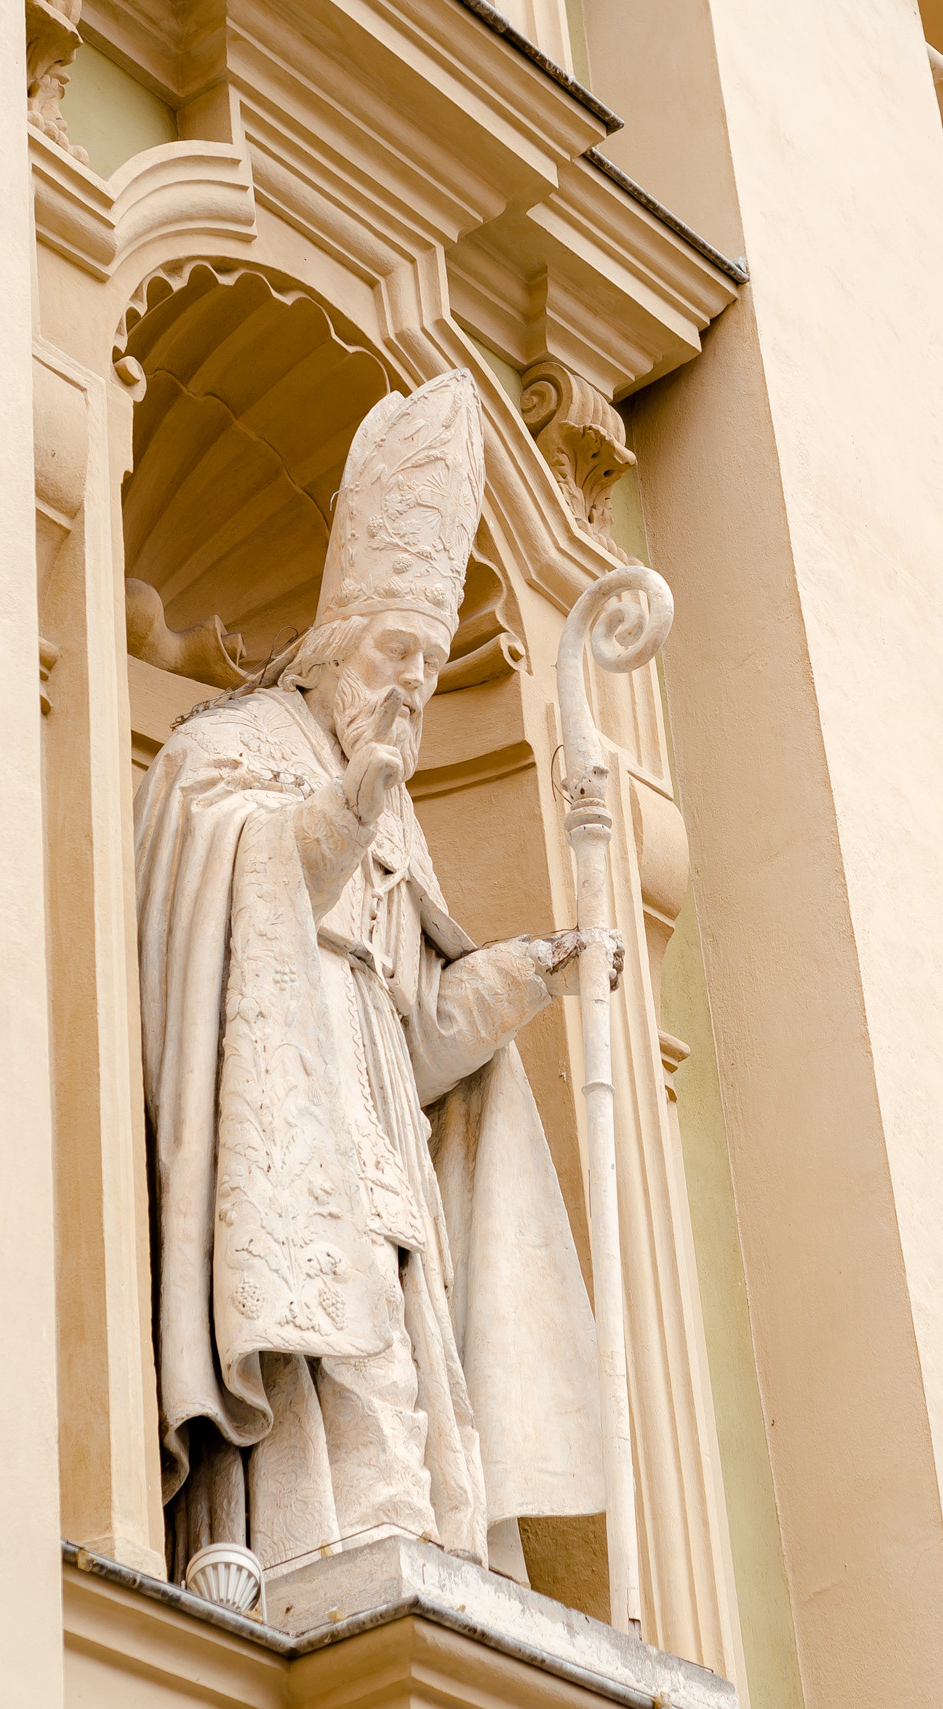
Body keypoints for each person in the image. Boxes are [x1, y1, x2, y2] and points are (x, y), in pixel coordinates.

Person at [135, 369, 608, 1586]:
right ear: (334, 644)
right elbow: (230, 887)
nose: (411, 682)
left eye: (434, 658)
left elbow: (419, 1034)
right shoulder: (226, 748)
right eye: (397, 649)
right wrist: (339, 816)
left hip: (381, 1136)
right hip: (281, 1119)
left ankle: (418, 1541)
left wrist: (518, 979)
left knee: (400, 1348)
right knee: (317, 1350)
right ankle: (296, 1538)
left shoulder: (398, 816)